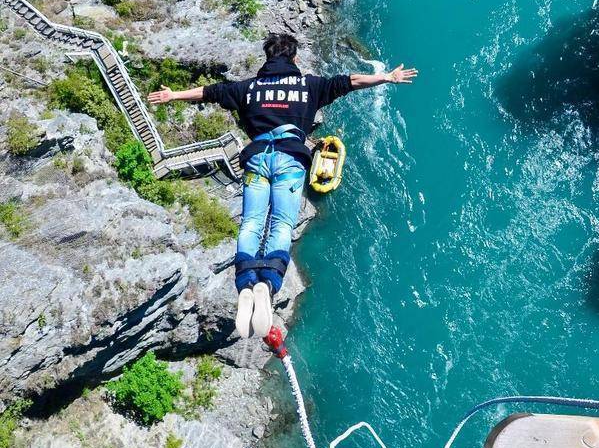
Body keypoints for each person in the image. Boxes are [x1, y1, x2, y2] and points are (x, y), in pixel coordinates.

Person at [148, 33, 418, 339]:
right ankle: (268, 282)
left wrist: (173, 95)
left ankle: (246, 282)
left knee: (251, 222)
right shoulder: (309, 85)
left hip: (257, 161)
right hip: (289, 162)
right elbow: (351, 81)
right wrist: (387, 77)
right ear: (294, 59)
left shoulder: (247, 88)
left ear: (267, 58)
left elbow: (209, 92)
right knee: (282, 224)